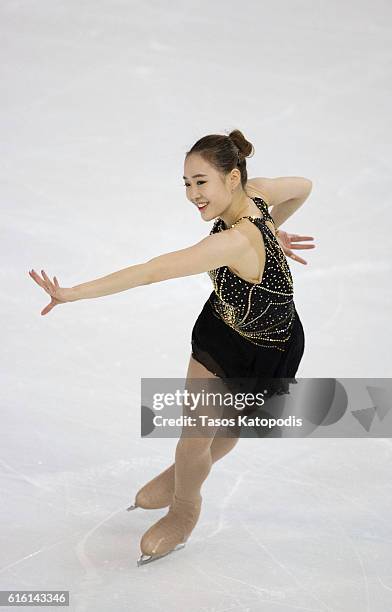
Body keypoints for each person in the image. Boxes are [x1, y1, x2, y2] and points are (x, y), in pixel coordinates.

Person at [28, 129, 315, 567]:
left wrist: (72, 293)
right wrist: (274, 228)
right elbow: (303, 187)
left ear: (232, 178)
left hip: (270, 346)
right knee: (193, 437)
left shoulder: (234, 239)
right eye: (186, 183)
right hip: (220, 334)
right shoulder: (256, 195)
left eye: (201, 182)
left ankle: (183, 477)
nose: (192, 194)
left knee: (228, 431)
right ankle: (185, 509)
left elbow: (151, 272)